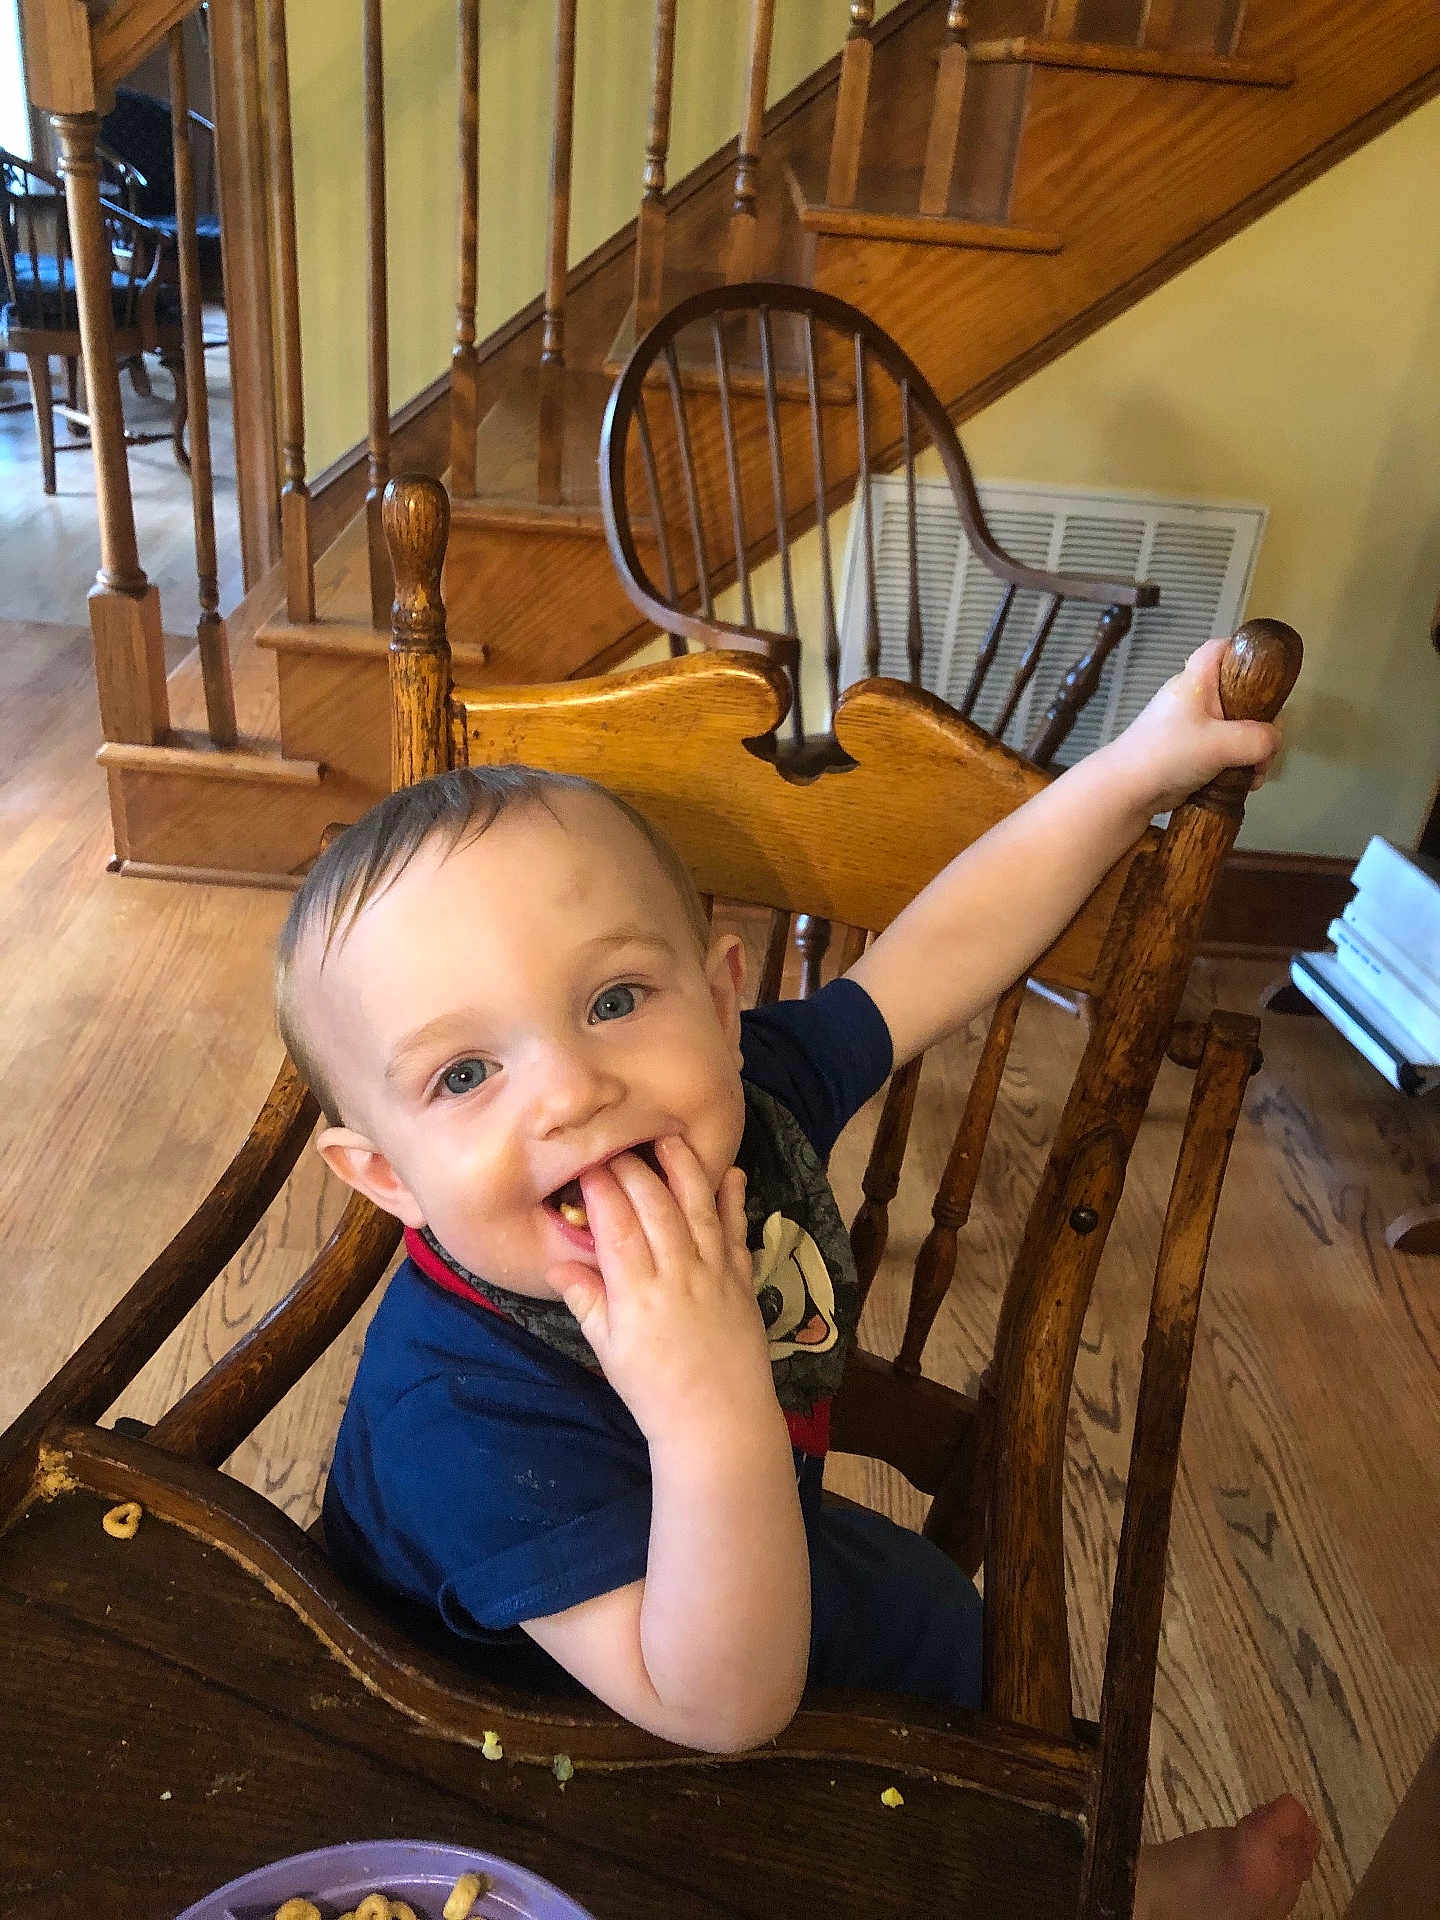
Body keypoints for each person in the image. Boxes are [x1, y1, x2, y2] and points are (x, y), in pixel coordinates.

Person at [275, 640, 1318, 1918]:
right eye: (463, 1074)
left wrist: (1131, 769)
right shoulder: (458, 1410)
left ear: (722, 1005)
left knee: (949, 1631)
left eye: (613, 998)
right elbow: (716, 1706)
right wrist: (710, 1403)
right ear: (385, 1178)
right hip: (517, 1738)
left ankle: (1061, 1875)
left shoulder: (751, 1096)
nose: (570, 1089)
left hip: (754, 1557)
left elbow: (944, 943)